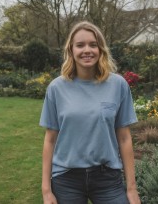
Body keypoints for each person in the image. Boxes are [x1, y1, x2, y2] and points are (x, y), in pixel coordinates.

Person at [40, 21, 140, 204]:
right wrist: (46, 190)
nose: (87, 50)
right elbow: (50, 139)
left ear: (101, 49)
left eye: (93, 45)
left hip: (107, 178)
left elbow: (124, 138)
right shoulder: (56, 88)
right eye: (80, 45)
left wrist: (131, 189)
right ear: (71, 50)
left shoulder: (118, 85)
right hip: (66, 179)